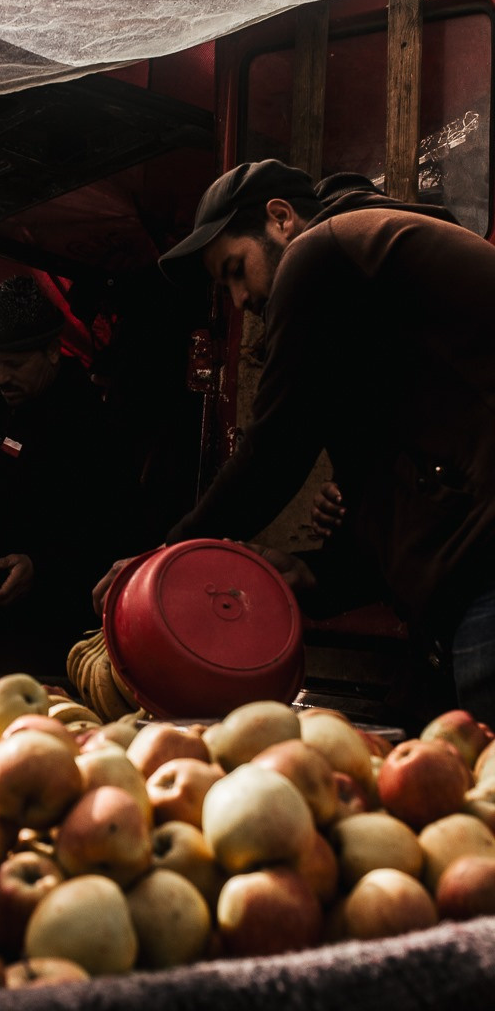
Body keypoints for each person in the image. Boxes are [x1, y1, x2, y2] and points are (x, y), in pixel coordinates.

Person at [96, 159, 495, 725]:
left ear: (281, 218)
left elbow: (277, 446)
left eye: (236, 270)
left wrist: (169, 559)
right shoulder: (374, 301)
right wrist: (319, 574)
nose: (240, 300)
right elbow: (393, 480)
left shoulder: (321, 251)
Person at [0, 276, 144, 679]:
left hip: (46, 641)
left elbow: (116, 531)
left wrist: (42, 567)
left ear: (51, 351)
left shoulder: (89, 423)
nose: (1, 377)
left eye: (14, 364)